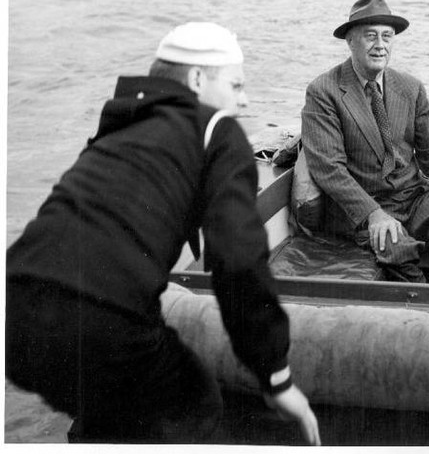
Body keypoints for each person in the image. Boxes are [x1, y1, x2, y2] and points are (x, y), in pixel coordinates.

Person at [6, 22, 320, 445]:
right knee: (194, 402)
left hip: (15, 309)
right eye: (236, 84)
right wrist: (276, 376)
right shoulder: (216, 130)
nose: (243, 100)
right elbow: (239, 263)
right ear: (196, 79)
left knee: (107, 409)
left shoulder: (115, 129)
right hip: (103, 319)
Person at [298, 0, 429, 284]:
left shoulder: (411, 88)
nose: (380, 45)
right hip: (360, 207)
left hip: (411, 197)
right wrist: (373, 214)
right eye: (370, 36)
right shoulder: (324, 91)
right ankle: (420, 316)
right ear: (350, 41)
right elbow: (329, 170)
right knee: (395, 245)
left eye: (387, 36)